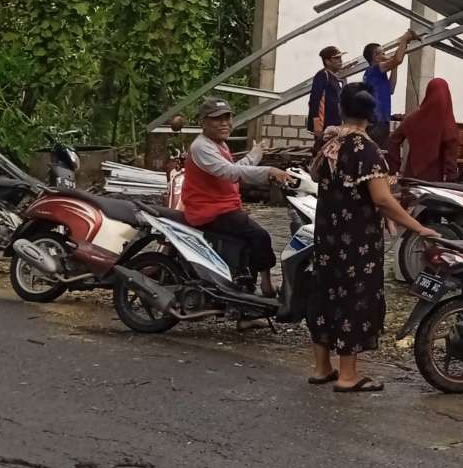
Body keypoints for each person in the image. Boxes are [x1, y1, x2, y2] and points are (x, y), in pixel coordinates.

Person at [306, 85, 437, 392]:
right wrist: (417, 228)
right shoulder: (367, 151)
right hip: (356, 240)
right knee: (354, 297)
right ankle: (348, 375)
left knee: (325, 293)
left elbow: (315, 178)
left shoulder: (329, 144)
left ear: (343, 111)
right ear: (371, 117)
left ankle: (322, 367)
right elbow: (381, 199)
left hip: (327, 234)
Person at [182, 98, 292, 299]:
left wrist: (255, 154)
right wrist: (269, 171)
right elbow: (230, 172)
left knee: (248, 243)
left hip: (224, 208)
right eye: (217, 119)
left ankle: (244, 295)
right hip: (209, 211)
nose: (224, 123)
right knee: (260, 236)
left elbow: (233, 169)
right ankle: (267, 287)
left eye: (227, 118)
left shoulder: (217, 144)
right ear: (203, 122)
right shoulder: (201, 147)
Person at [386, 78, 460, 182]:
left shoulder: (413, 118)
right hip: (436, 183)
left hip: (411, 177)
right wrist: (452, 182)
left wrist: (393, 170)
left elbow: (393, 139)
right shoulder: (447, 123)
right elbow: (450, 158)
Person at [362, 29, 419, 148]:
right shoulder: (374, 70)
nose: (384, 55)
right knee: (378, 154)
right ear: (375, 57)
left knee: (381, 153)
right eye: (381, 53)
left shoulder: (379, 74)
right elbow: (398, 59)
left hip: (382, 120)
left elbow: (391, 89)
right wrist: (404, 40)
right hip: (376, 122)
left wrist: (394, 66)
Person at [307, 45, 347, 151]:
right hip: (324, 125)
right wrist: (316, 123)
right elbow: (314, 99)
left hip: (334, 126)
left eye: (340, 58)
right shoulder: (323, 75)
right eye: (336, 58)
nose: (340, 61)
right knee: (321, 153)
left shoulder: (334, 78)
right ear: (328, 61)